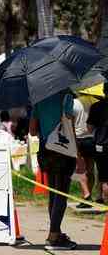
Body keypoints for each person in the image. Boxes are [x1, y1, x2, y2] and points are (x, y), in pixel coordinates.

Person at [29, 90, 77, 250]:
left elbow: (32, 131)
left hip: (45, 151)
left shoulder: (39, 98)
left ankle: (55, 233)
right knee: (61, 194)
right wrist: (78, 153)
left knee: (53, 193)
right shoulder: (66, 95)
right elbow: (69, 127)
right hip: (63, 151)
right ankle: (54, 235)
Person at [87, 82, 108, 204]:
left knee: (104, 177)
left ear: (104, 91)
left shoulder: (96, 106)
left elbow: (89, 129)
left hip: (101, 146)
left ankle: (105, 203)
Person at [73, 96, 95, 208]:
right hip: (91, 138)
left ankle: (86, 196)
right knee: (90, 170)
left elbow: (70, 123)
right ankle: (89, 194)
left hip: (78, 139)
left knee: (80, 169)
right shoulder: (93, 102)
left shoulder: (74, 103)